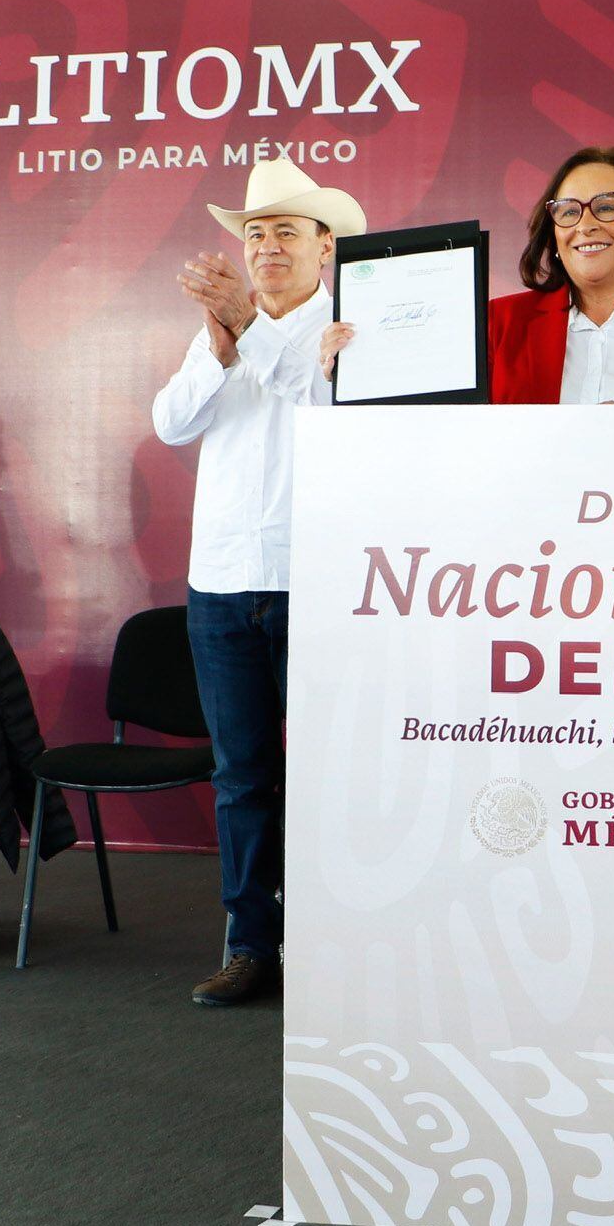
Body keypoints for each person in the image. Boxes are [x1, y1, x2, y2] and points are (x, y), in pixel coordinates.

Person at [153, 158, 365, 1007]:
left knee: (326, 773)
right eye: (254, 233)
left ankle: (335, 945)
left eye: (286, 231)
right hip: (220, 584)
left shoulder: (349, 330)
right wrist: (219, 344)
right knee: (241, 774)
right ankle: (250, 942)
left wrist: (256, 332)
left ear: (325, 247)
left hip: (315, 583)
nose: (267, 246)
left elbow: (328, 416)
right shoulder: (221, 331)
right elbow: (170, 425)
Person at [322, 147, 614, 403]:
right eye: (569, 211)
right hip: (520, 537)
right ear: (553, 233)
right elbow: (432, 425)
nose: (585, 225)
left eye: (607, 206)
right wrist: (359, 365)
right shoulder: (497, 326)